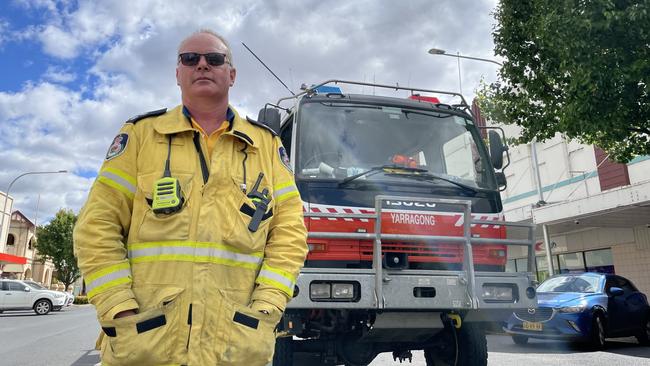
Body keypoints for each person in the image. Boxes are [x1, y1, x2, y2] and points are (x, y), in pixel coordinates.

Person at [73, 29, 308, 366]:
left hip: (237, 341)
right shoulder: (140, 135)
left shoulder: (267, 146)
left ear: (231, 74)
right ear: (178, 73)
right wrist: (117, 304)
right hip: (146, 341)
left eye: (214, 59)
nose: (201, 65)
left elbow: (290, 233)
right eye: (190, 59)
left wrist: (268, 303)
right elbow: (96, 225)